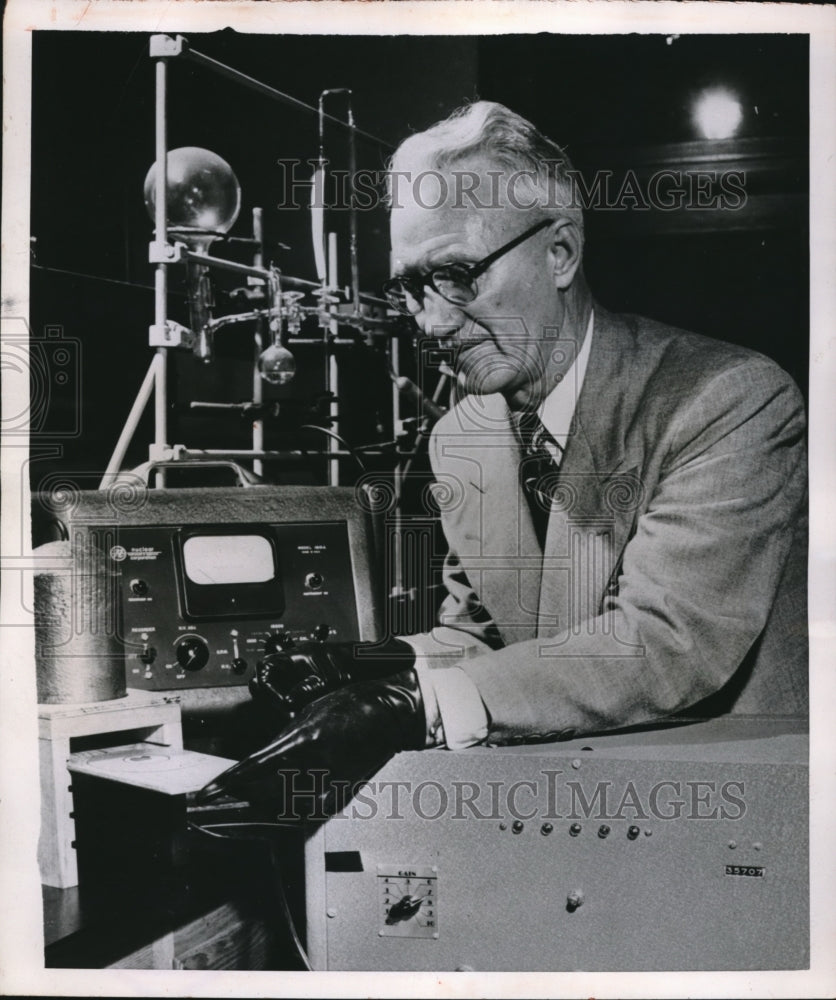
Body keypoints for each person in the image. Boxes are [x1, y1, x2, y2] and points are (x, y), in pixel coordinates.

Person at [198, 101, 807, 814]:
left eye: (458, 274)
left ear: (561, 253)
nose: (431, 320)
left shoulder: (727, 400)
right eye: (411, 285)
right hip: (563, 803)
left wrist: (411, 704)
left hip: (731, 815)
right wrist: (374, 664)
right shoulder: (460, 439)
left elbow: (664, 642)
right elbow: (483, 632)